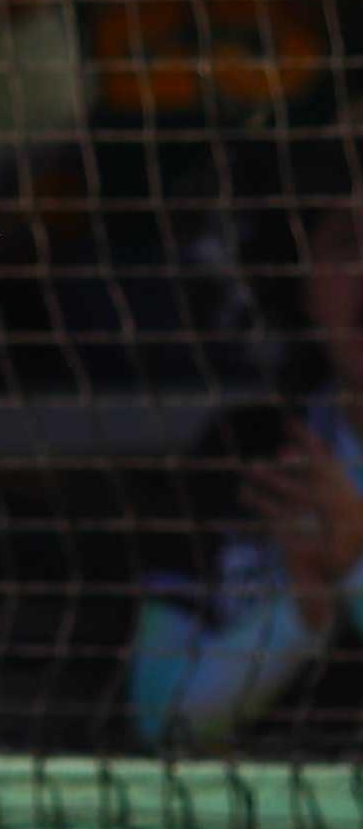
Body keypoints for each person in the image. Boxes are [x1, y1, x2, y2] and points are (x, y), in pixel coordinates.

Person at [131, 198, 363, 753]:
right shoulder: (244, 451)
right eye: (350, 242)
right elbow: (159, 721)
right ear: (301, 277)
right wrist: (299, 609)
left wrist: (354, 560)